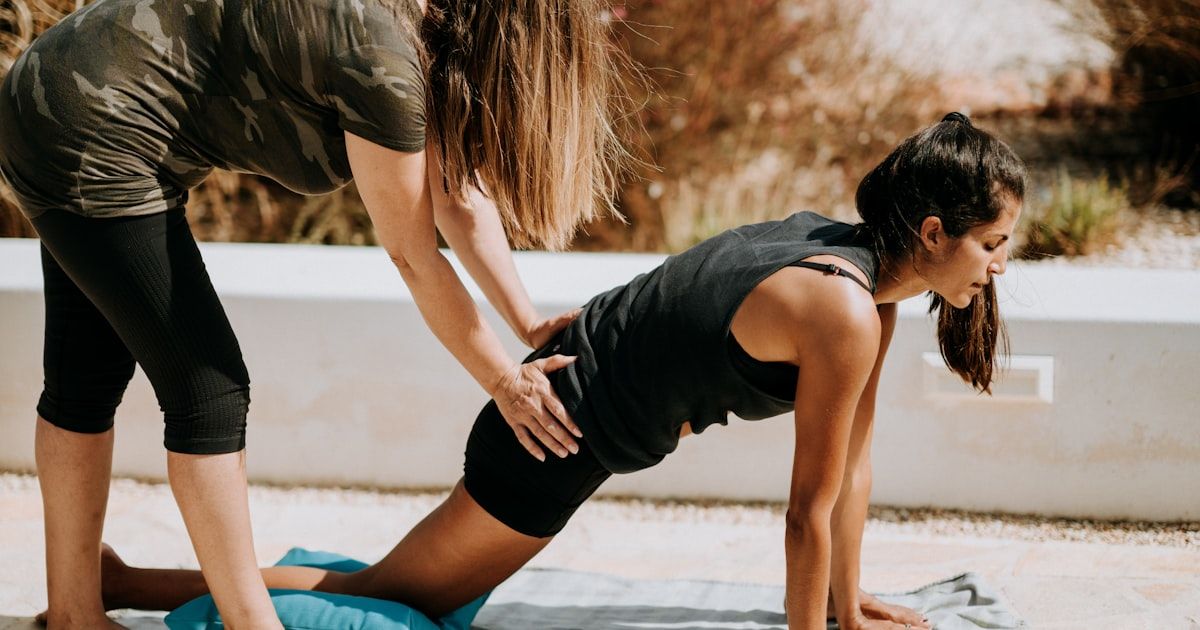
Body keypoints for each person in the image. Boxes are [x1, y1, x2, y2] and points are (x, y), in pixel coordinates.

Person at [93, 113, 1027, 630]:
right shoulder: (844, 310)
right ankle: (127, 585)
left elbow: (850, 476)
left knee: (396, 585)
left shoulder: (865, 280)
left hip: (569, 403)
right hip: (551, 427)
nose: (998, 265)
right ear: (934, 233)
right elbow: (806, 511)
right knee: (391, 596)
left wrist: (843, 612)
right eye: (992, 243)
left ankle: (132, 581)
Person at [0, 0, 630, 626]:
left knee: (85, 380)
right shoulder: (385, 58)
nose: (621, 17)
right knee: (209, 393)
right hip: (88, 119)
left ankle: (74, 614)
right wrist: (503, 382)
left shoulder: (432, 30)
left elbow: (457, 195)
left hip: (62, 94)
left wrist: (526, 323)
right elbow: (413, 257)